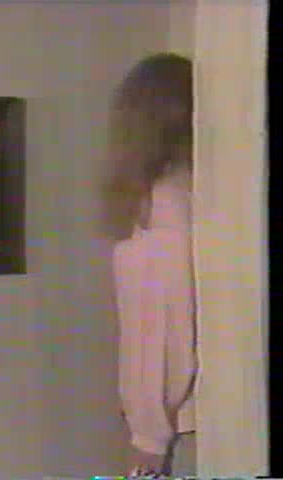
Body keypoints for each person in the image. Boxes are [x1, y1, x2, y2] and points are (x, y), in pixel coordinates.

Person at [103, 53, 198, 478]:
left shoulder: (165, 203)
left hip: (176, 423)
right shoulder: (175, 194)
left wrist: (148, 434)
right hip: (179, 417)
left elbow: (159, 325)